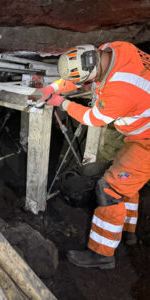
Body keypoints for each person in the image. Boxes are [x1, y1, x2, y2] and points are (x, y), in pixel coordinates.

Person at [30, 42, 150, 269]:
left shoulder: (121, 90)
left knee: (110, 189)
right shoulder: (114, 47)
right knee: (129, 184)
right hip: (141, 135)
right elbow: (79, 78)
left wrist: (62, 102)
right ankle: (128, 233)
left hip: (147, 142)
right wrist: (53, 88)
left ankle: (102, 254)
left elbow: (94, 118)